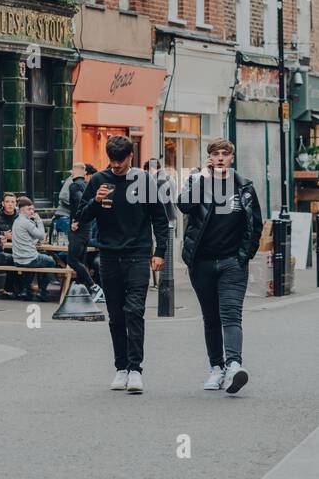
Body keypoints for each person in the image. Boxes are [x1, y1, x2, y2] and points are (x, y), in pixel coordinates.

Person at [77, 135, 167, 395]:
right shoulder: (97, 181)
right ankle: (121, 368)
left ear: (131, 157)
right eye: (112, 161)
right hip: (108, 256)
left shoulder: (144, 180)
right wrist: (95, 200)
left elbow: (159, 218)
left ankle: (136, 369)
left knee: (134, 311)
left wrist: (159, 251)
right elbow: (80, 217)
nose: (116, 166)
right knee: (116, 316)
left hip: (138, 254)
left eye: (121, 161)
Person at [177, 138, 263, 395]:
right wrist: (202, 177)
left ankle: (234, 365)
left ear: (232, 158)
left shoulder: (244, 186)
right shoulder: (198, 181)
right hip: (202, 262)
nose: (221, 158)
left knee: (230, 313)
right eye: (216, 154)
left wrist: (243, 256)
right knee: (211, 317)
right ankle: (216, 368)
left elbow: (255, 224)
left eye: (226, 154)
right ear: (209, 158)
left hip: (231, 263)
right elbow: (184, 205)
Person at [68, 165, 104, 301]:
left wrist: (76, 220)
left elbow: (79, 203)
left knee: (73, 260)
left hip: (78, 228)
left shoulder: (74, 186)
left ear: (75, 171)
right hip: (86, 227)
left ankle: (94, 287)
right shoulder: (88, 185)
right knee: (81, 260)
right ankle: (84, 291)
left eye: (71, 171)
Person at [12, 197, 60, 298]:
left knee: (39, 259)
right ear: (22, 209)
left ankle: (27, 290)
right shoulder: (27, 222)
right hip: (28, 259)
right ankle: (42, 291)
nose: (32, 211)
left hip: (17, 259)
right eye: (29, 209)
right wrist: (38, 220)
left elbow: (29, 238)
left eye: (32, 209)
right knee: (51, 261)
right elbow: (42, 236)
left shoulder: (16, 221)